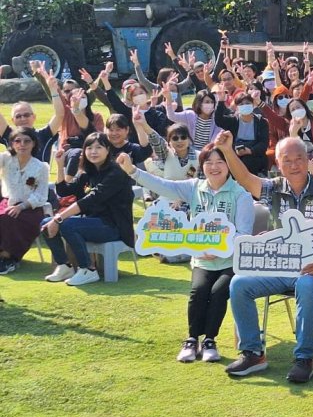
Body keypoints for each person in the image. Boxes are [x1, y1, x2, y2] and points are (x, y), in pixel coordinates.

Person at [217, 132, 313, 382]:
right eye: (287, 160)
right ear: (277, 163)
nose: (294, 165)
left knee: (307, 286)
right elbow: (243, 178)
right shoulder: (272, 188)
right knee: (238, 284)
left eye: (299, 158)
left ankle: (304, 357)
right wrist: (227, 150)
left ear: (309, 160)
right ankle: (253, 353)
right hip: (280, 266)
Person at [115, 146, 255, 362]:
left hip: (230, 261)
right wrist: (132, 170)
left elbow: (244, 234)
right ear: (202, 166)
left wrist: (219, 249)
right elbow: (163, 185)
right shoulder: (194, 188)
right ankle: (191, 340)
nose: (214, 167)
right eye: (208, 162)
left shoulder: (241, 195)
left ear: (228, 165)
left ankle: (209, 340)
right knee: (198, 291)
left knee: (218, 293)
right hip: (201, 259)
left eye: (220, 162)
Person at [42, 133, 136, 286]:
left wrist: (58, 218)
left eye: (99, 147)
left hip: (114, 227)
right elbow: (64, 191)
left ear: (108, 150)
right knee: (45, 222)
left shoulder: (115, 172)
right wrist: (60, 166)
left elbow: (90, 199)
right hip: (94, 222)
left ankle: (88, 269)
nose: (93, 151)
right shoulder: (89, 172)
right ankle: (64, 266)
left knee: (65, 223)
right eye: (89, 147)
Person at [0, 127, 51, 274]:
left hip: (31, 208)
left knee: (9, 217)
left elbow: (41, 195)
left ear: (33, 143)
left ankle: (9, 257)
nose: (22, 144)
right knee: (5, 215)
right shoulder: (5, 159)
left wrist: (21, 206)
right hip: (8, 202)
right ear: (12, 144)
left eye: (27, 141)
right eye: (17, 141)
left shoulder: (41, 167)